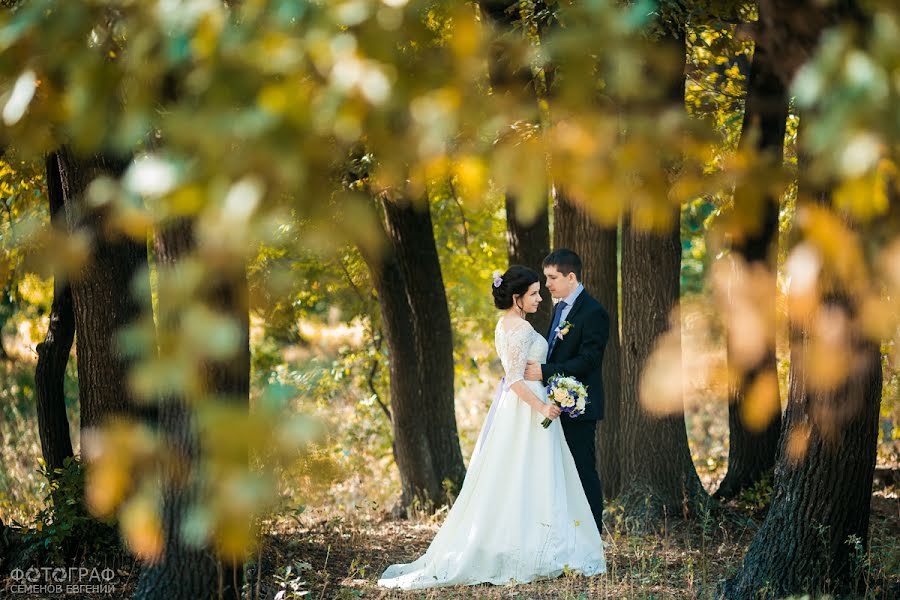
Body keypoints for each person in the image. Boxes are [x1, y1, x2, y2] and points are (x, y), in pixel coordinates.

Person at [378, 265, 605, 589]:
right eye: (533, 294)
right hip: (527, 412)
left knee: (527, 475)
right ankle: (530, 546)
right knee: (528, 474)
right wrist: (542, 406)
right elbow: (513, 379)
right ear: (516, 298)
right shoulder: (520, 330)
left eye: (541, 291)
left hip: (522, 410)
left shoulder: (508, 324)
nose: (540, 298)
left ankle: (541, 539)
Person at [524, 249, 610, 532]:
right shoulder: (560, 307)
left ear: (570, 277)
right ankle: (569, 533)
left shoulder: (594, 312)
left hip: (579, 406)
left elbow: (589, 361)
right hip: (555, 404)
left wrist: (545, 372)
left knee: (583, 472)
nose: (546, 284)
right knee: (560, 474)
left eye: (552, 277)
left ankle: (593, 535)